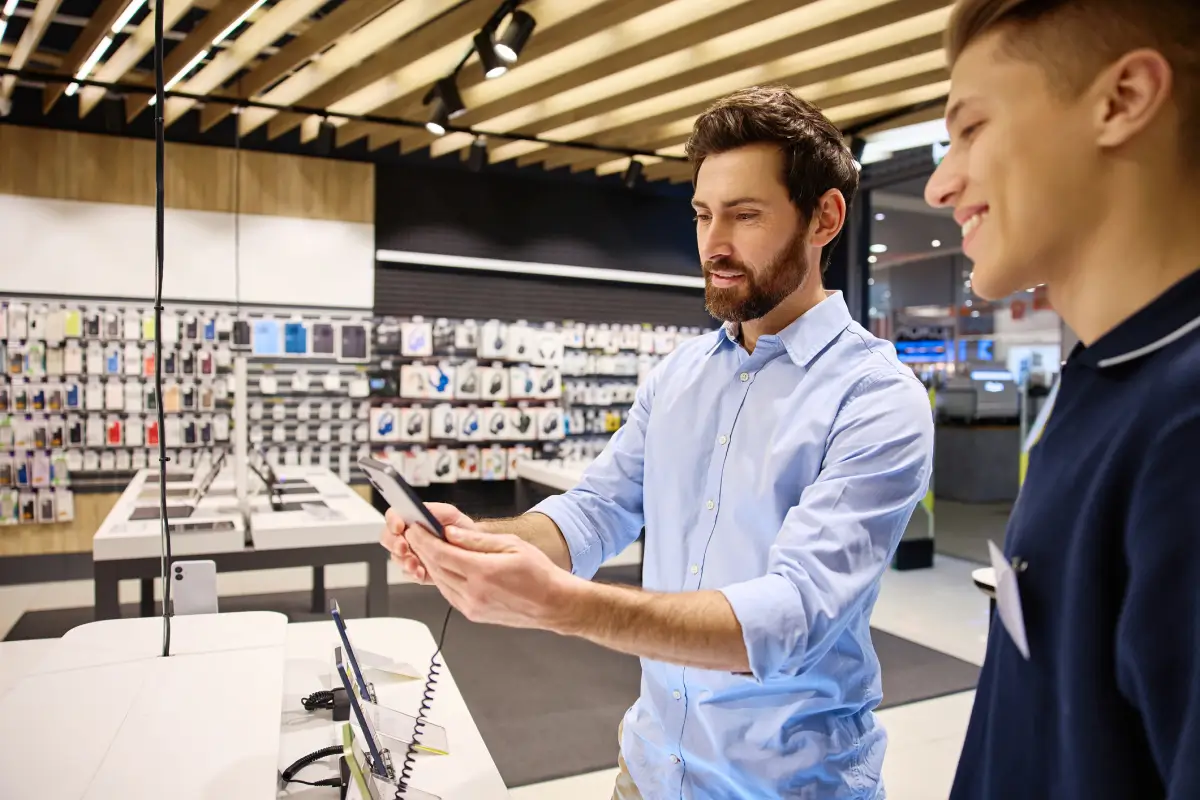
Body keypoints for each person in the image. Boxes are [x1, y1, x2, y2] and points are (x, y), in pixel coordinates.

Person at [384, 85, 934, 799]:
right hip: (649, 770)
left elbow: (792, 616)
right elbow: (595, 511)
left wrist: (565, 605)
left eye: (745, 215)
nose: (714, 245)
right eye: (704, 215)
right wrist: (480, 542)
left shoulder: (875, 398)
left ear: (824, 218)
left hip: (784, 786)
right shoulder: (679, 376)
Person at [924, 1, 1200, 798]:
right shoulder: (1109, 382)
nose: (943, 184)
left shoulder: (1184, 428)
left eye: (970, 129)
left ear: (1122, 101)